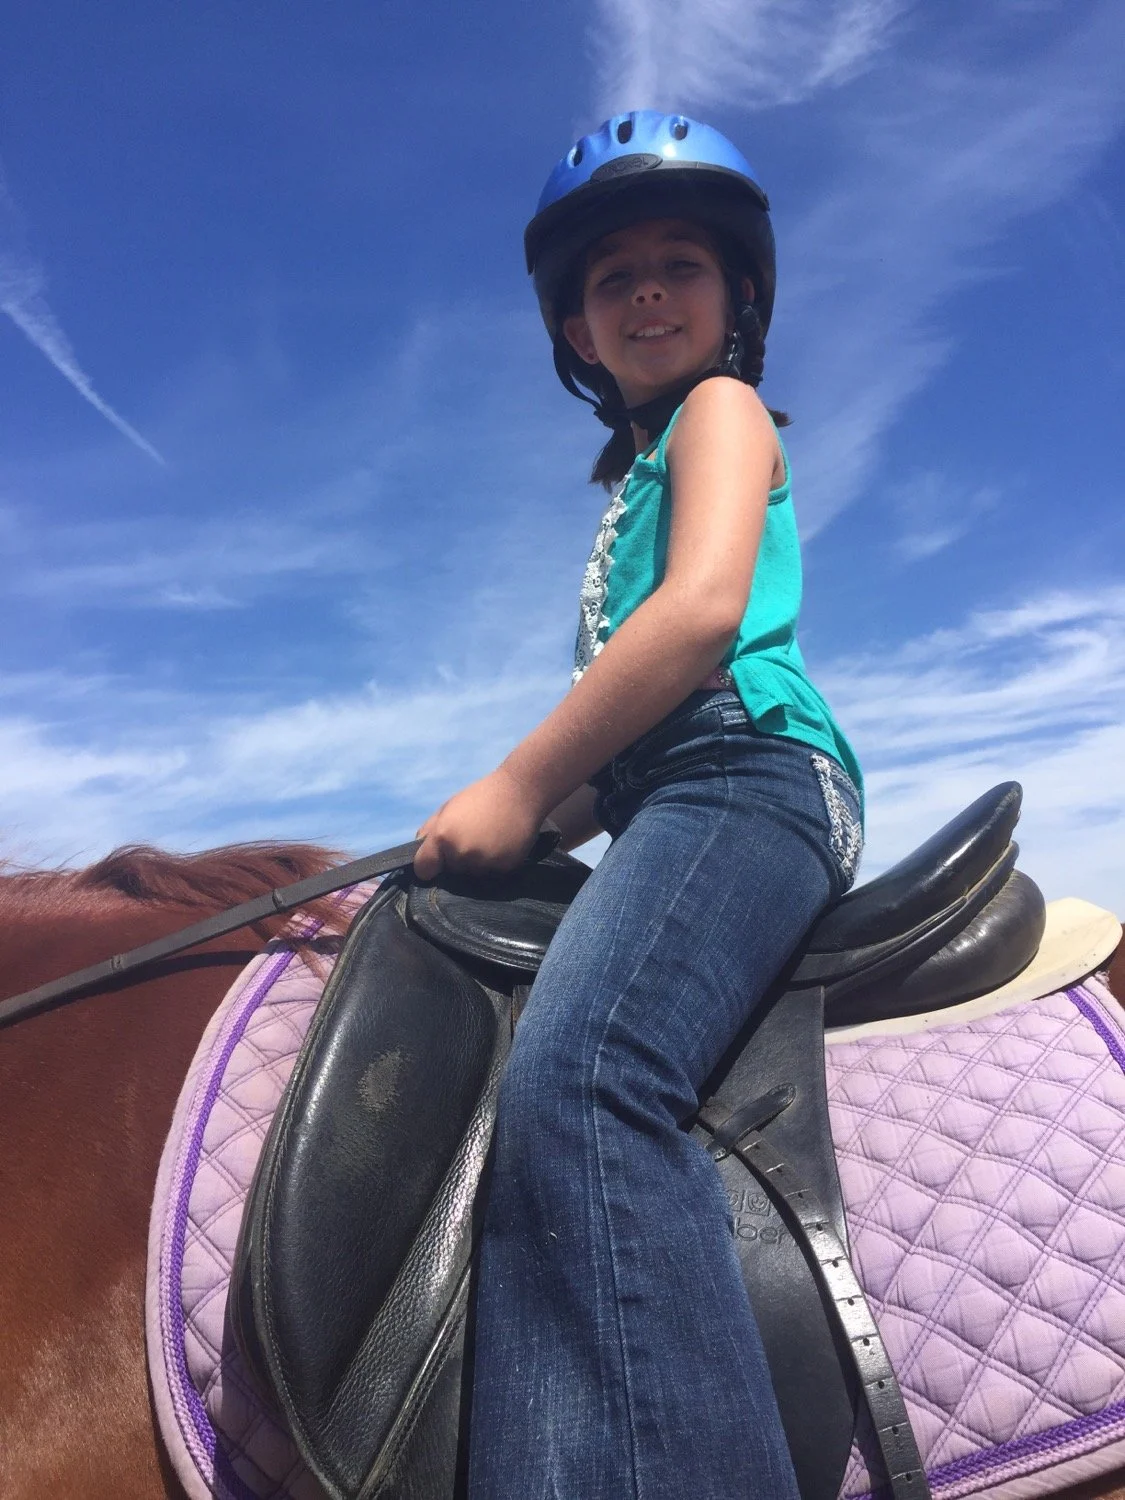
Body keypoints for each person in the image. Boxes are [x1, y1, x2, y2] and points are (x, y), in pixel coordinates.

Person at [412, 110, 864, 1500]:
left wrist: (522, 781)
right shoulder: (628, 484)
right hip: (677, 788)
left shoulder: (723, 418)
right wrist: (523, 831)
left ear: (740, 301)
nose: (650, 290)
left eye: (681, 264)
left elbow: (702, 619)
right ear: (576, 334)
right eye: (615, 279)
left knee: (591, 1072)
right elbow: (632, 738)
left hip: (757, 778)